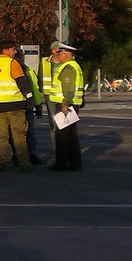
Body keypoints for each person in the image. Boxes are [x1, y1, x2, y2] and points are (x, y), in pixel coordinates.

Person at [0, 39, 34, 172]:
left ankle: (4, 162)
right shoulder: (12, 63)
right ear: (5, 50)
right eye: (13, 49)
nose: (15, 51)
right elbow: (22, 82)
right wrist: (29, 99)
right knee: (19, 136)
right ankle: (23, 163)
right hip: (15, 105)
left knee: (2, 137)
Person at [48, 43, 84, 172]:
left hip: (65, 105)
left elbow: (68, 88)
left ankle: (61, 164)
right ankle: (75, 164)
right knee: (72, 136)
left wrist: (64, 104)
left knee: (62, 137)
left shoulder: (67, 67)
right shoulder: (75, 66)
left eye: (60, 53)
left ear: (66, 54)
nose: (58, 56)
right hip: (73, 104)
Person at [12, 46, 43, 165]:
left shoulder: (28, 70)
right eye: (19, 56)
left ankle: (32, 153)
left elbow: (34, 89)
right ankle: (17, 154)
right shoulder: (12, 69)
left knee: (30, 131)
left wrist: (38, 105)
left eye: (22, 56)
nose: (21, 59)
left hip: (28, 105)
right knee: (16, 131)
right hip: (16, 105)